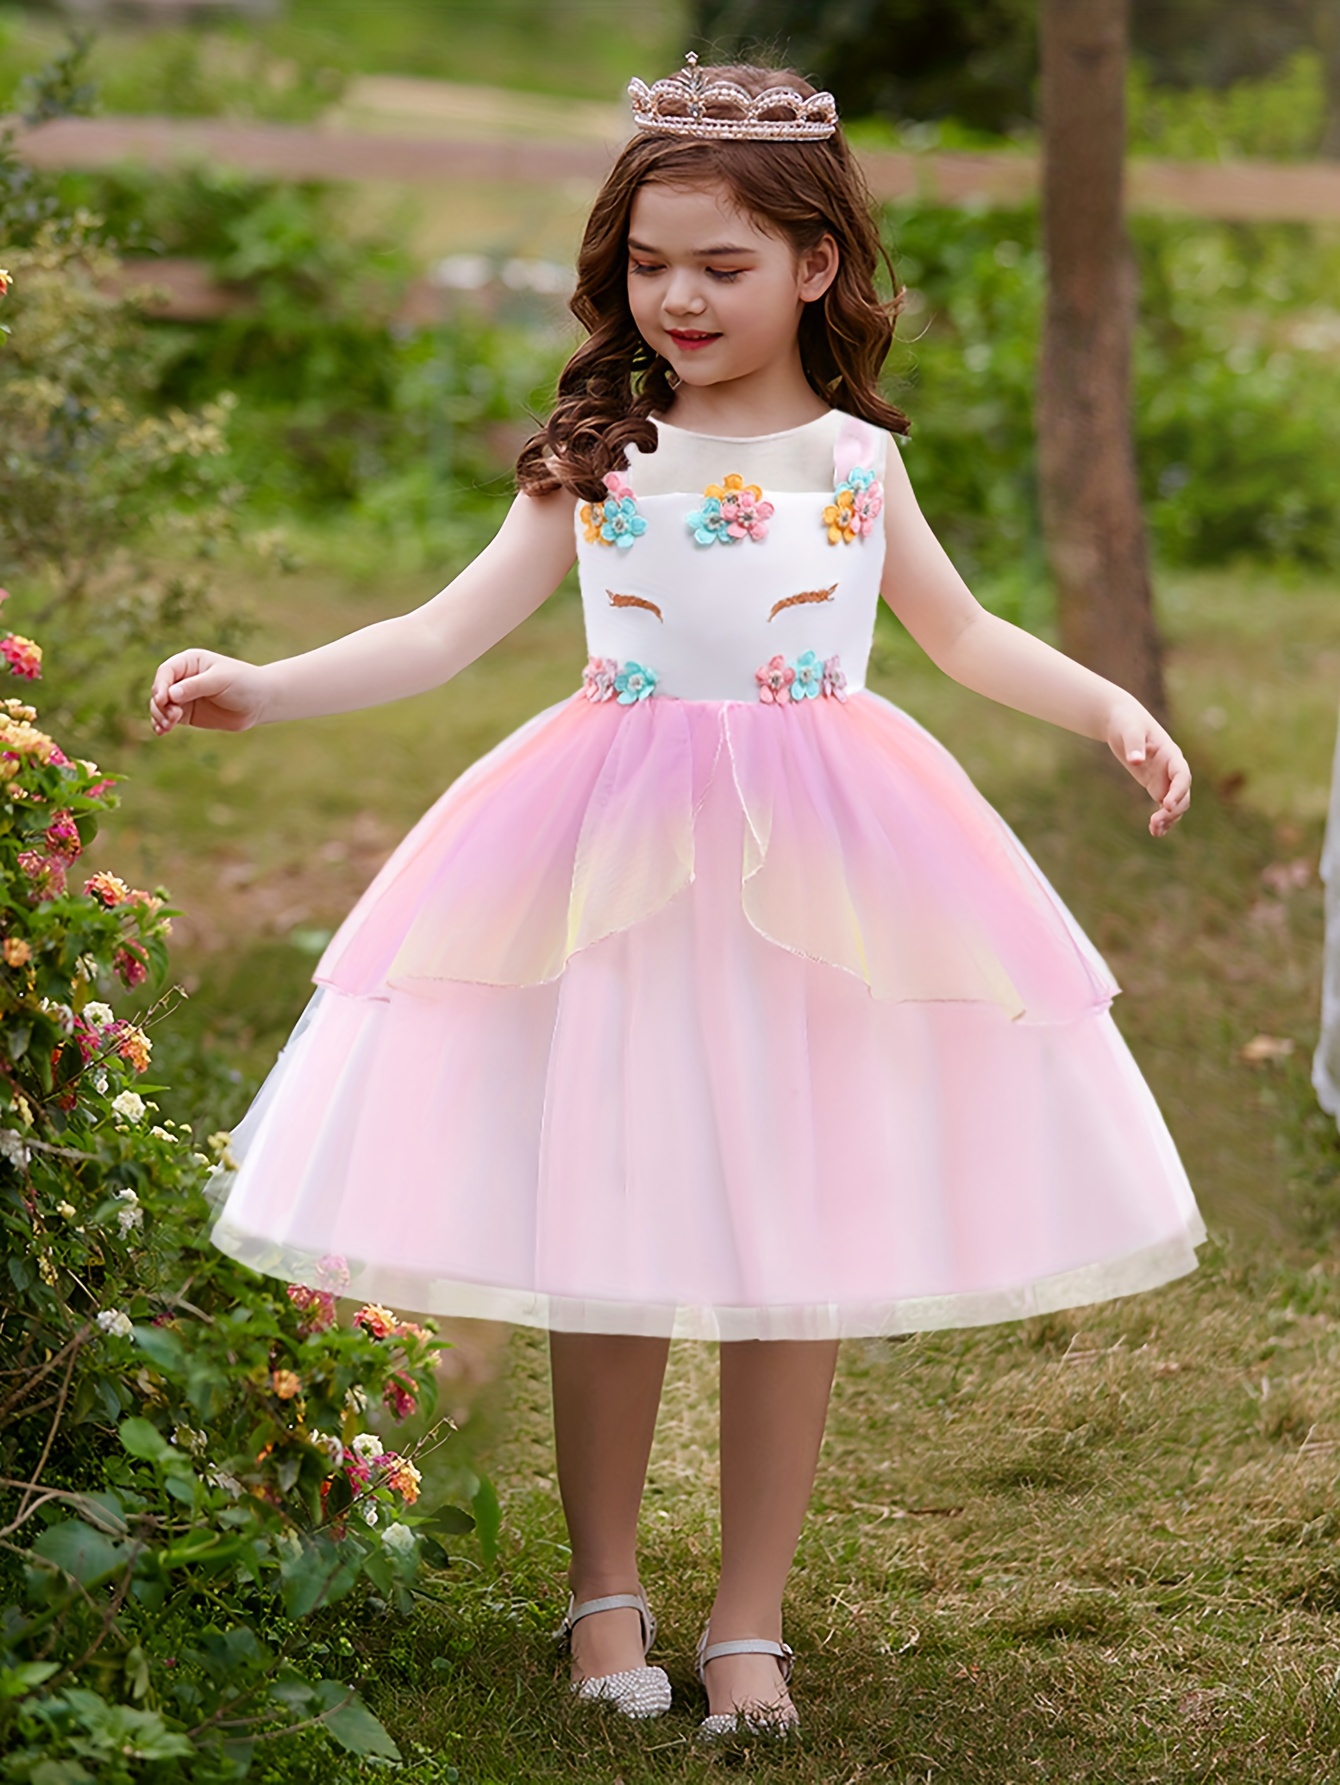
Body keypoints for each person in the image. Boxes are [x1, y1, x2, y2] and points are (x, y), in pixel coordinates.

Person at [149, 55, 1204, 1741]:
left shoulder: (857, 457)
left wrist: (1108, 706)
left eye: (721, 265)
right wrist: (264, 684)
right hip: (617, 866)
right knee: (614, 1224)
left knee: (793, 1235)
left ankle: (749, 1620)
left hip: (823, 872)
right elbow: (440, 632)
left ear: (816, 268)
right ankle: (604, 1589)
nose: (681, 297)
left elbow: (964, 634)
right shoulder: (600, 452)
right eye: (652, 265)